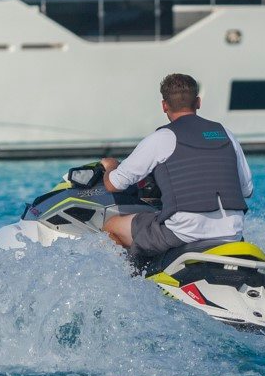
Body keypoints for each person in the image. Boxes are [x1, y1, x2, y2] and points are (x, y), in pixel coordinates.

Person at [100, 72, 253, 259]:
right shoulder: (226, 134)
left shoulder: (162, 138)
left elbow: (114, 184)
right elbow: (246, 190)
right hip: (232, 231)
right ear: (198, 102)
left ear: (164, 106)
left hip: (184, 233)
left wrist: (110, 166)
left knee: (111, 226)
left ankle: (134, 281)